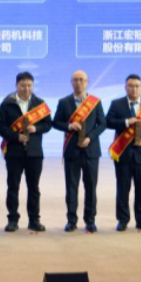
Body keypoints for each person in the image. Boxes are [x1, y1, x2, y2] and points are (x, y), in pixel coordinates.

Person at [0, 71, 52, 233]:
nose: (26, 88)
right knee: (13, 187)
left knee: (34, 188)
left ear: (32, 86)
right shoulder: (7, 103)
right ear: (16, 85)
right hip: (14, 152)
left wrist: (37, 128)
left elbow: (48, 124)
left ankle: (34, 220)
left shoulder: (40, 104)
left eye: (29, 85)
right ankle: (12, 220)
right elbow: (0, 127)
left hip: (34, 153)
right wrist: (15, 137)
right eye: (22, 85)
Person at [105, 74, 141, 232]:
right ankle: (122, 220)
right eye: (131, 86)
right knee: (123, 189)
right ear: (125, 88)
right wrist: (125, 122)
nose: (134, 89)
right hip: (123, 154)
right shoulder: (117, 104)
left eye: (137, 86)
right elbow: (107, 122)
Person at [53, 70, 106, 233]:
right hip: (72, 151)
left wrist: (90, 137)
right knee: (71, 187)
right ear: (71, 83)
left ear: (87, 82)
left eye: (82, 80)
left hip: (91, 151)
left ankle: (90, 220)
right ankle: (71, 220)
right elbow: (56, 122)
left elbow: (102, 124)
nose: (79, 83)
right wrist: (69, 126)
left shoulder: (95, 102)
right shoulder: (64, 102)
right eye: (75, 80)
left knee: (90, 187)